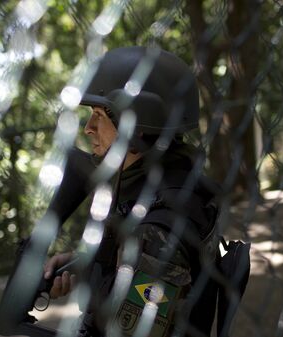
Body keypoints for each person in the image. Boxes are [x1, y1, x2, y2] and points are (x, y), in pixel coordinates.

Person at [43, 46, 221, 337]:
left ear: (136, 126)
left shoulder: (158, 231)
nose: (88, 128)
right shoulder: (167, 183)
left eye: (99, 115)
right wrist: (82, 264)